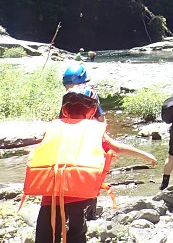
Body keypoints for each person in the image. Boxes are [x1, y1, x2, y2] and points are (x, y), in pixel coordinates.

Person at [30, 91, 157, 243]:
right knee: (76, 235)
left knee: (45, 236)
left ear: (64, 110)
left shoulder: (54, 129)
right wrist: (145, 155)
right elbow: (118, 148)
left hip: (51, 196)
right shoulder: (94, 131)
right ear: (92, 111)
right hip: (80, 194)